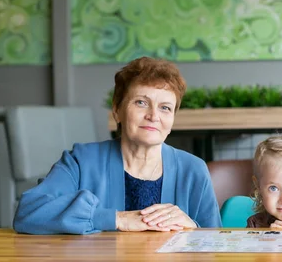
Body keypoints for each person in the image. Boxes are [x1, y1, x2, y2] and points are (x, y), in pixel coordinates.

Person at [14, 57, 222, 234]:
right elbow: (29, 212)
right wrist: (116, 219)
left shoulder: (193, 169)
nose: (153, 116)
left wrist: (192, 227)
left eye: (165, 108)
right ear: (117, 110)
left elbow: (216, 246)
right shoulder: (81, 160)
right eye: (141, 102)